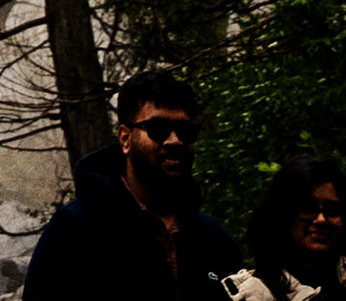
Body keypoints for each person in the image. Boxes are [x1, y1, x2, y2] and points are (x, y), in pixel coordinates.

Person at [21, 68, 234, 301]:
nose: (175, 141)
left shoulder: (213, 238)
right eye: (158, 130)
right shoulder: (74, 231)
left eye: (186, 131)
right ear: (125, 139)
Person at [235, 156, 346, 301]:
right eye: (307, 208)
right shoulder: (252, 293)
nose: (321, 220)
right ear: (282, 213)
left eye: (332, 210)